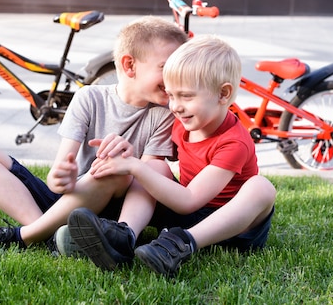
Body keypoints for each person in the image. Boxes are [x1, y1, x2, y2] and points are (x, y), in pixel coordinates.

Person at [0, 16, 187, 254]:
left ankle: (22, 237)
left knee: (115, 171)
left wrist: (128, 161)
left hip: (114, 215)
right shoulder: (89, 98)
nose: (175, 78)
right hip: (69, 198)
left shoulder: (164, 115)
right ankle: (48, 236)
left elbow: (150, 180)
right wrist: (62, 178)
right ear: (129, 65)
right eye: (167, 68)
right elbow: (58, 176)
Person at [66, 35, 277, 277]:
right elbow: (164, 179)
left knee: (262, 187)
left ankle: (180, 244)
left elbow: (188, 200)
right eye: (171, 95)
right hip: (191, 215)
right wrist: (130, 155)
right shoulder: (182, 124)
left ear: (223, 94)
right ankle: (124, 235)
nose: (175, 106)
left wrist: (135, 167)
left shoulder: (234, 142)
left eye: (186, 96)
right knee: (155, 166)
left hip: (232, 228)